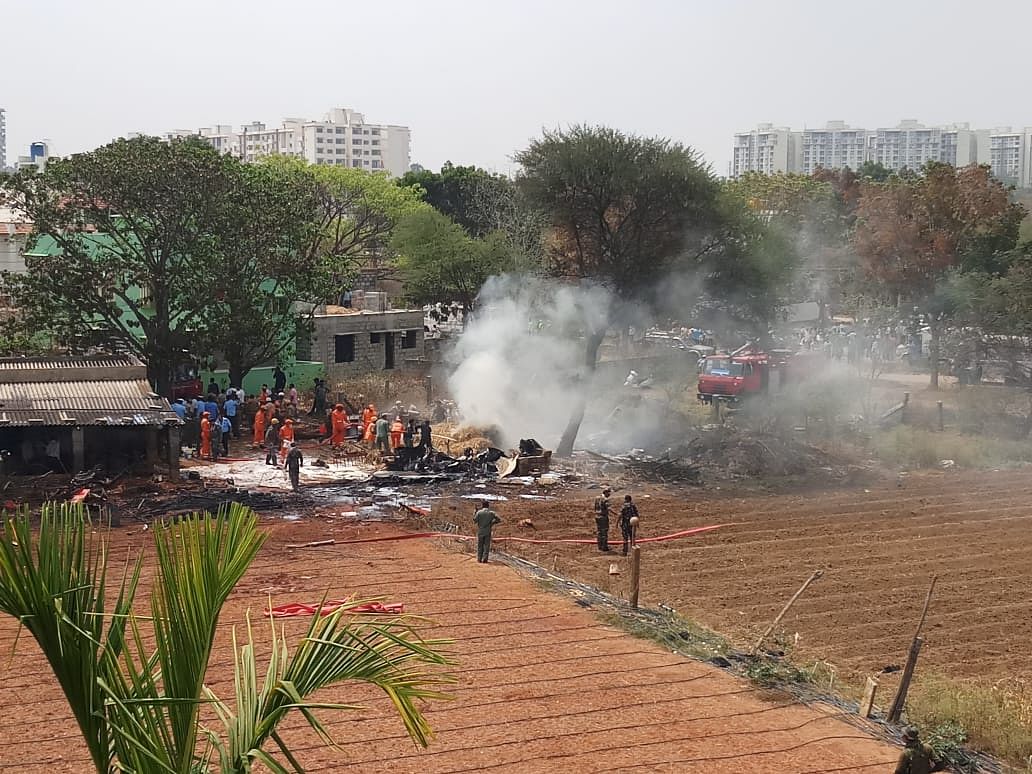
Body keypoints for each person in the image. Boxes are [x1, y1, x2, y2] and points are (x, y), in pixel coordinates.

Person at [593, 487, 613, 552]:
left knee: (599, 531)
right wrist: (616, 514)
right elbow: (609, 508)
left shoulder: (597, 498)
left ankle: (600, 546)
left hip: (597, 516)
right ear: (606, 492)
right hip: (603, 517)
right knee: (604, 532)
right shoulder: (605, 499)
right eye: (609, 492)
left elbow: (595, 507)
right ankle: (604, 547)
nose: (610, 494)